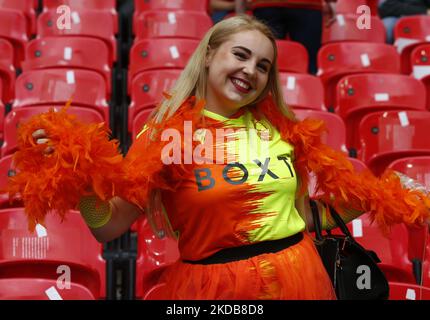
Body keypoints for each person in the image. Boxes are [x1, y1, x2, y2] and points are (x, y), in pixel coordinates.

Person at [10, 15, 430, 300]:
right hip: (214, 290)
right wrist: (77, 178)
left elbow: (302, 217)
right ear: (210, 55)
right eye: (241, 55)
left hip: (300, 277)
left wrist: (387, 194)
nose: (251, 71)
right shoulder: (167, 135)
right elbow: (108, 227)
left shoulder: (279, 129)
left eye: (263, 65)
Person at [236, 0, 337, 74]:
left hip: (267, 4)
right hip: (306, 6)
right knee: (309, 64)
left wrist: (240, 9)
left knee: (263, 60)